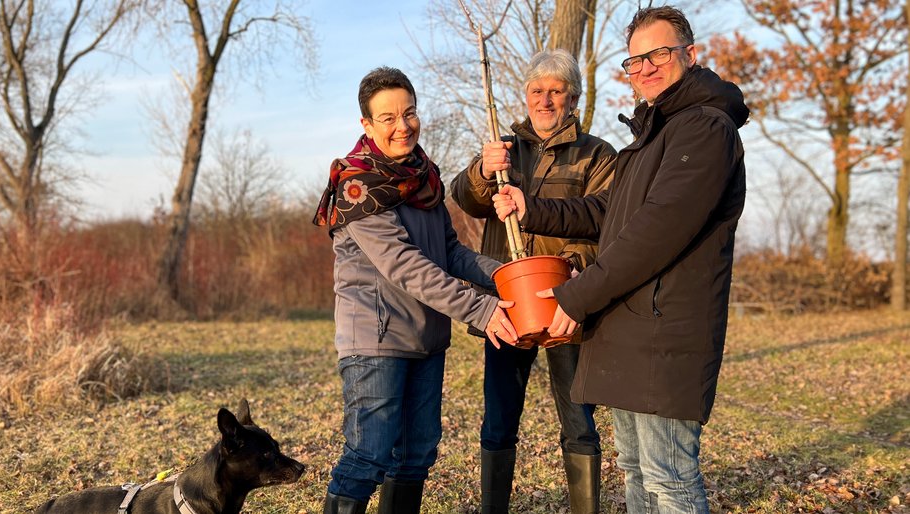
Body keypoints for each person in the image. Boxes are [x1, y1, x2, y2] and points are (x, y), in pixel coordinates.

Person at [493, 6, 748, 513]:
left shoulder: (704, 129)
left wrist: (577, 296)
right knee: (637, 471)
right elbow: (609, 211)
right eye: (635, 61)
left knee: (669, 480)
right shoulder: (656, 132)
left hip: (665, 333)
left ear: (690, 54)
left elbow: (655, 231)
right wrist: (532, 208)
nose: (646, 68)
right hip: (632, 329)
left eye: (659, 54)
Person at [314, 66, 518, 514]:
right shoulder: (357, 185)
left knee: (415, 457)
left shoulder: (424, 178)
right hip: (377, 340)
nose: (402, 126)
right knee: (368, 456)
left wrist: (512, 276)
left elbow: (450, 252)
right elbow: (404, 266)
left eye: (409, 113)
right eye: (387, 118)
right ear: (367, 124)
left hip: (426, 338)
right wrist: (481, 309)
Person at [449, 49, 616, 514]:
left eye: (556, 92)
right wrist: (483, 171)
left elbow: (604, 224)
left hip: (566, 304)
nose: (545, 100)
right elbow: (464, 198)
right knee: (498, 420)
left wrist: (573, 268)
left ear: (573, 99)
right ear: (525, 95)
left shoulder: (597, 155)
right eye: (537, 91)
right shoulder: (504, 149)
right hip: (505, 305)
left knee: (579, 420)